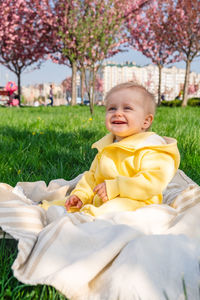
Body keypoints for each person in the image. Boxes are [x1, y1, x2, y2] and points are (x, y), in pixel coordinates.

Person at [65, 81, 180, 217]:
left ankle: (91, 218)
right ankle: (81, 212)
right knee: (65, 204)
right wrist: (81, 195)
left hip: (139, 201)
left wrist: (117, 186)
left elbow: (152, 182)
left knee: (117, 207)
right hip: (103, 199)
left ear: (146, 121)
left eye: (127, 108)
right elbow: (92, 177)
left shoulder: (151, 148)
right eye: (112, 108)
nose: (118, 113)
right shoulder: (106, 147)